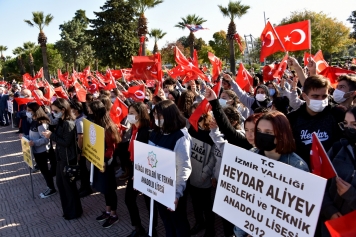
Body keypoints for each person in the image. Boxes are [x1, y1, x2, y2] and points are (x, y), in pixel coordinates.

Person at [234, 111, 309, 237]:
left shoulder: (297, 167)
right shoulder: (250, 155)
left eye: (268, 132)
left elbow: (295, 216)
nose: (261, 135)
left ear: (281, 134)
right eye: (259, 131)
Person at [149, 100, 192, 237]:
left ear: (169, 116)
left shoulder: (180, 137)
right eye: (155, 115)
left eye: (160, 116)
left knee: (178, 222)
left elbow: (183, 167)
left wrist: (177, 193)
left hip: (173, 189)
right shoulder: (155, 132)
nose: (157, 119)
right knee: (166, 220)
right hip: (159, 186)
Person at [287, 75, 343, 166]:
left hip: (332, 171)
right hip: (302, 171)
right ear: (304, 96)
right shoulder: (292, 118)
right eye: (315, 96)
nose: (320, 100)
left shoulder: (336, 114)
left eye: (324, 96)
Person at [42, 98, 83, 220]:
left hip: (68, 158)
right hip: (60, 157)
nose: (53, 113)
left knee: (69, 187)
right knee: (61, 184)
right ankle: (67, 210)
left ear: (63, 110)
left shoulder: (69, 123)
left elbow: (66, 142)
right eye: (52, 110)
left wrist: (51, 135)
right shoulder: (61, 121)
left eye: (55, 111)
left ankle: (74, 211)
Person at [321, 106, 356, 237]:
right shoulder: (337, 148)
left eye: (354, 124)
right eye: (346, 124)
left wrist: (351, 195)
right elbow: (320, 183)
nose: (349, 129)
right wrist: (329, 210)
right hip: (331, 227)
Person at [124, 102, 157, 237]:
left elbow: (147, 155)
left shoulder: (146, 132)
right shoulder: (134, 129)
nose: (129, 116)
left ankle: (152, 230)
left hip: (144, 172)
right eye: (129, 113)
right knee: (129, 199)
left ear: (140, 114)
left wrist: (139, 172)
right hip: (134, 169)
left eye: (132, 113)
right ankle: (138, 228)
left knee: (149, 202)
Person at [89, 100, 121, 228]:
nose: (89, 112)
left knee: (109, 189)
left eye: (91, 110)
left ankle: (114, 215)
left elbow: (111, 149)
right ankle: (107, 211)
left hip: (105, 163)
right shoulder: (96, 124)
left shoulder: (108, 128)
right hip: (98, 160)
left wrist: (103, 160)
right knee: (104, 189)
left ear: (96, 112)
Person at [187, 108, 216, 237]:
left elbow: (213, 158)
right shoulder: (192, 130)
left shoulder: (211, 133)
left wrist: (205, 174)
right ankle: (199, 223)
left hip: (203, 178)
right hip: (191, 174)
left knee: (206, 205)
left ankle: (210, 229)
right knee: (195, 203)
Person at [21, 102, 56, 198]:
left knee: (45, 171)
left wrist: (34, 143)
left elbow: (45, 139)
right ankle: (50, 186)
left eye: (29, 110)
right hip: (36, 150)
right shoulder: (33, 120)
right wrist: (26, 137)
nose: (27, 112)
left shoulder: (41, 123)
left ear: (35, 110)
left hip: (42, 151)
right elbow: (33, 135)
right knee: (43, 170)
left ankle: (51, 188)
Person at [70, 100, 92, 198]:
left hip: (81, 149)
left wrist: (80, 151)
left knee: (83, 169)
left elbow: (81, 137)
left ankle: (86, 188)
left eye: (71, 109)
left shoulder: (80, 121)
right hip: (80, 148)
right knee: (82, 169)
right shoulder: (78, 118)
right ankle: (83, 186)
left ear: (76, 110)